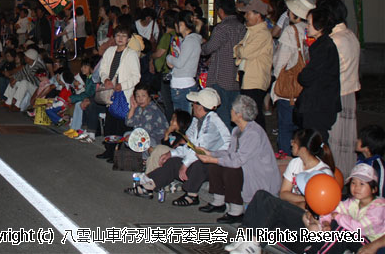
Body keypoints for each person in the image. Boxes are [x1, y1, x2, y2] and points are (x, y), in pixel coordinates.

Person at [223, 129, 337, 254]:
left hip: (308, 226)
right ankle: (245, 237)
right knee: (261, 195)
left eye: (294, 141)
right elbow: (283, 193)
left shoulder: (323, 174)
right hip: (293, 213)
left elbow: (318, 208)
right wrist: (305, 199)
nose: (291, 143)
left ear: (303, 149)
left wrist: (300, 202)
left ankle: (254, 244)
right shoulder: (295, 163)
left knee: (272, 205)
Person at [126, 88, 230, 206]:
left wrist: (185, 165)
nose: (192, 105)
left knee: (198, 163)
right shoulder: (197, 120)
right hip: (200, 156)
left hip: (216, 163)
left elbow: (199, 149)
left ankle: (192, 195)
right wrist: (171, 154)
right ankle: (149, 186)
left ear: (200, 107)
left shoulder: (212, 124)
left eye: (195, 103)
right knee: (173, 161)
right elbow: (188, 144)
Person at [195, 95, 281, 224]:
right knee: (217, 163)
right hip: (245, 168)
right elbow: (230, 153)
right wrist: (211, 154)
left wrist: (212, 159)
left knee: (230, 169)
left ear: (239, 114)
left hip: (259, 177)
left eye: (232, 110)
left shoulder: (253, 133)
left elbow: (237, 161)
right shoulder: (237, 130)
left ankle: (236, 210)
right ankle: (219, 201)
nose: (230, 112)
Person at [302, 163, 385, 254]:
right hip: (358, 238)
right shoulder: (354, 202)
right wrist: (326, 222)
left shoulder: (378, 208)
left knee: (343, 231)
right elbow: (333, 209)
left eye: (362, 184)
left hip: (372, 244)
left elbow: (359, 228)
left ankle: (315, 252)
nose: (356, 187)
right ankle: (315, 249)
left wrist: (338, 217)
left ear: (374, 189)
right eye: (353, 183)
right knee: (334, 225)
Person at [321, 0, 362, 177]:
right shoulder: (350, 35)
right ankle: (346, 174)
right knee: (347, 139)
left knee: (335, 140)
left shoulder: (333, 40)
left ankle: (335, 176)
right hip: (350, 92)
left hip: (336, 94)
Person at [85, 26, 142, 153]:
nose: (120, 38)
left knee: (120, 123)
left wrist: (123, 85)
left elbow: (136, 76)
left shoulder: (131, 54)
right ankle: (109, 150)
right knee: (109, 123)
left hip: (123, 94)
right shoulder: (110, 51)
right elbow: (103, 69)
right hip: (110, 92)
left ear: (128, 39)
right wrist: (106, 79)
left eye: (123, 36)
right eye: (118, 35)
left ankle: (117, 153)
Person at [271, 0, 313, 156]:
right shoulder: (309, 30)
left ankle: (286, 160)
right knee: (300, 128)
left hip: (289, 90)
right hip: (304, 87)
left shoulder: (291, 31)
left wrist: (276, 76)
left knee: (285, 127)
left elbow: (280, 62)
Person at [296, 6, 341, 144]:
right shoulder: (323, 44)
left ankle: (322, 165)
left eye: (309, 23)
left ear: (319, 26)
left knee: (316, 141)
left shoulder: (323, 47)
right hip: (322, 103)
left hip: (319, 104)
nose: (307, 27)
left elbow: (308, 76)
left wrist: (301, 75)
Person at [201, 0, 246, 129]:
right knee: (235, 116)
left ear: (220, 10)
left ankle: (225, 146)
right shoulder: (241, 27)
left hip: (220, 77)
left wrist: (202, 46)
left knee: (222, 117)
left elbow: (209, 48)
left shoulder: (222, 27)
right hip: (236, 77)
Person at [233, 0, 273, 129]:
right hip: (248, 78)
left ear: (258, 15)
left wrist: (239, 50)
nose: (245, 16)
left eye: (248, 13)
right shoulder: (252, 31)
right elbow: (238, 49)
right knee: (249, 115)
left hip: (255, 80)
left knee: (254, 116)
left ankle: (259, 143)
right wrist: (239, 50)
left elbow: (244, 51)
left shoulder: (262, 34)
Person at [166, 10, 201, 114]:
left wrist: (169, 57)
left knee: (183, 122)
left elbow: (180, 63)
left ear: (181, 24)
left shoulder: (190, 40)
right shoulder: (188, 40)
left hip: (183, 87)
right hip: (181, 85)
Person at [152, 10, 178, 120]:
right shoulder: (176, 35)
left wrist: (151, 56)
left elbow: (159, 53)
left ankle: (170, 124)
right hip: (174, 72)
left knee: (168, 102)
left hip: (166, 72)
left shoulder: (166, 36)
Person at [125, 83, 168, 148]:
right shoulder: (139, 108)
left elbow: (145, 132)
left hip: (156, 140)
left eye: (143, 96)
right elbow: (128, 123)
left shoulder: (151, 110)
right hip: (144, 136)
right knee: (126, 135)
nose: (140, 99)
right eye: (138, 96)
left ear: (149, 97)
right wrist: (132, 108)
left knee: (132, 138)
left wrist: (132, 137)